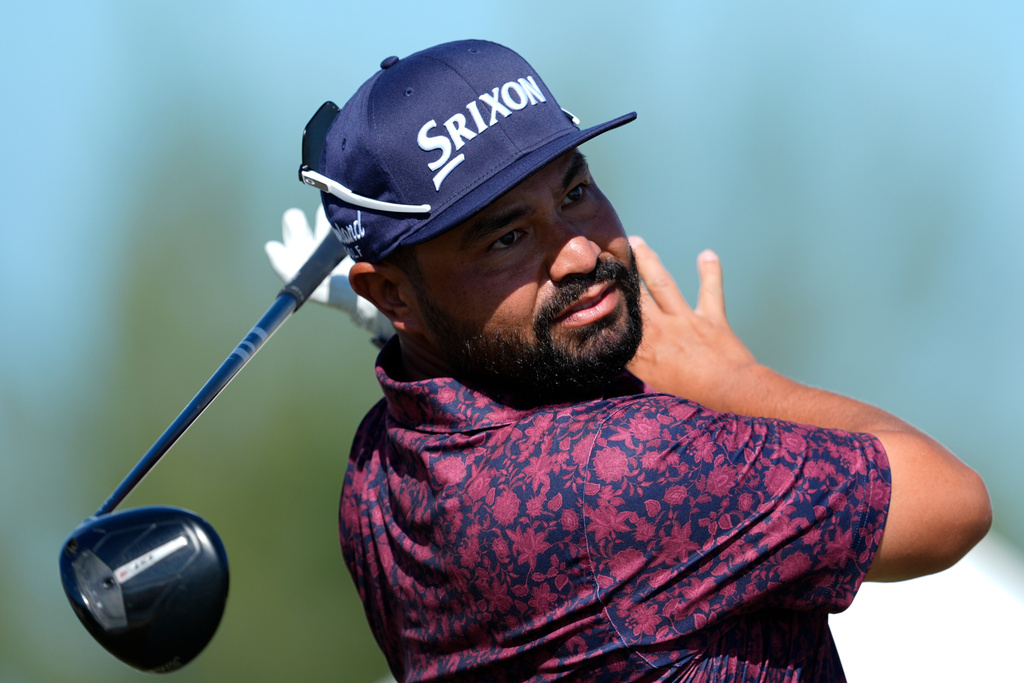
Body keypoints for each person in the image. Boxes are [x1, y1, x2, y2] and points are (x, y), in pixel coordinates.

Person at [269, 39, 991, 682]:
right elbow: (952, 503)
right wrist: (733, 380)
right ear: (392, 290)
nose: (579, 250)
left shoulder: (374, 474)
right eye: (505, 239)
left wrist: (417, 328)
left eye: (575, 192)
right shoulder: (626, 466)